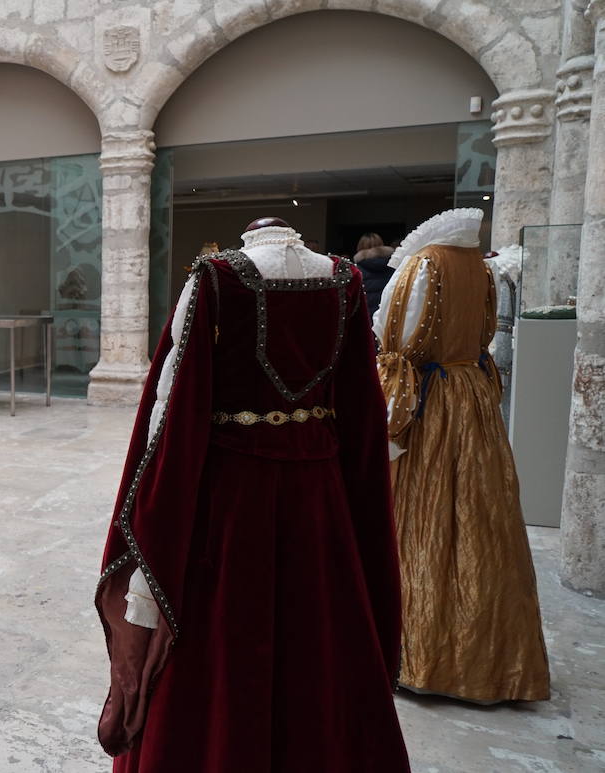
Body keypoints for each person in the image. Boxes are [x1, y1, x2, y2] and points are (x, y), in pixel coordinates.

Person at [96, 218, 409, 772]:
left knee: (222, 652)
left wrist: (152, 530)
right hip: (320, 502)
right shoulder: (342, 281)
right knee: (317, 642)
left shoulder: (214, 279)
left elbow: (172, 419)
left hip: (231, 505)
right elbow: (363, 418)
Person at [374, 208, 550, 703]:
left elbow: (398, 338)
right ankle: (493, 657)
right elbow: (484, 334)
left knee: (426, 512)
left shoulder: (425, 264)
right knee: (482, 515)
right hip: (470, 394)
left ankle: (424, 656)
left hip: (432, 399)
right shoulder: (482, 268)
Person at [353, 232, 396, 321]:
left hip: (366, 318)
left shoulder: (356, 270)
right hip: (388, 315)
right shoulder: (394, 266)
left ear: (360, 248)